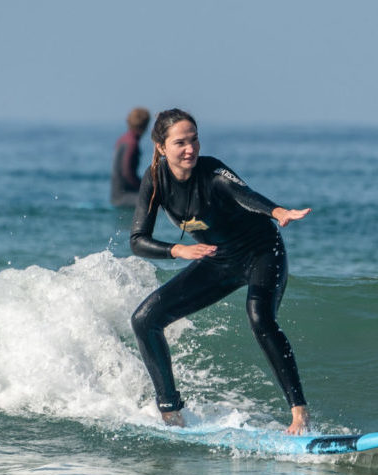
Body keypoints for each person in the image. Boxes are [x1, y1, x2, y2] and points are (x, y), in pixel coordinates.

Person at [129, 109, 312, 433]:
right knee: (145, 320)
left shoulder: (212, 171)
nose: (191, 149)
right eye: (180, 143)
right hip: (218, 259)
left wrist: (277, 210)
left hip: (261, 253)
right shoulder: (155, 180)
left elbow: (245, 194)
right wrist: (177, 250)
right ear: (161, 147)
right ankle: (171, 412)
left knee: (260, 317)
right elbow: (138, 240)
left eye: (194, 139)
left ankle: (299, 413)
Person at [110, 107, 151, 208]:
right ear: (145, 125)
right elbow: (127, 173)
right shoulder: (132, 143)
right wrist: (145, 188)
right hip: (124, 196)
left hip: (116, 195)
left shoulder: (123, 139)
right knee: (156, 204)